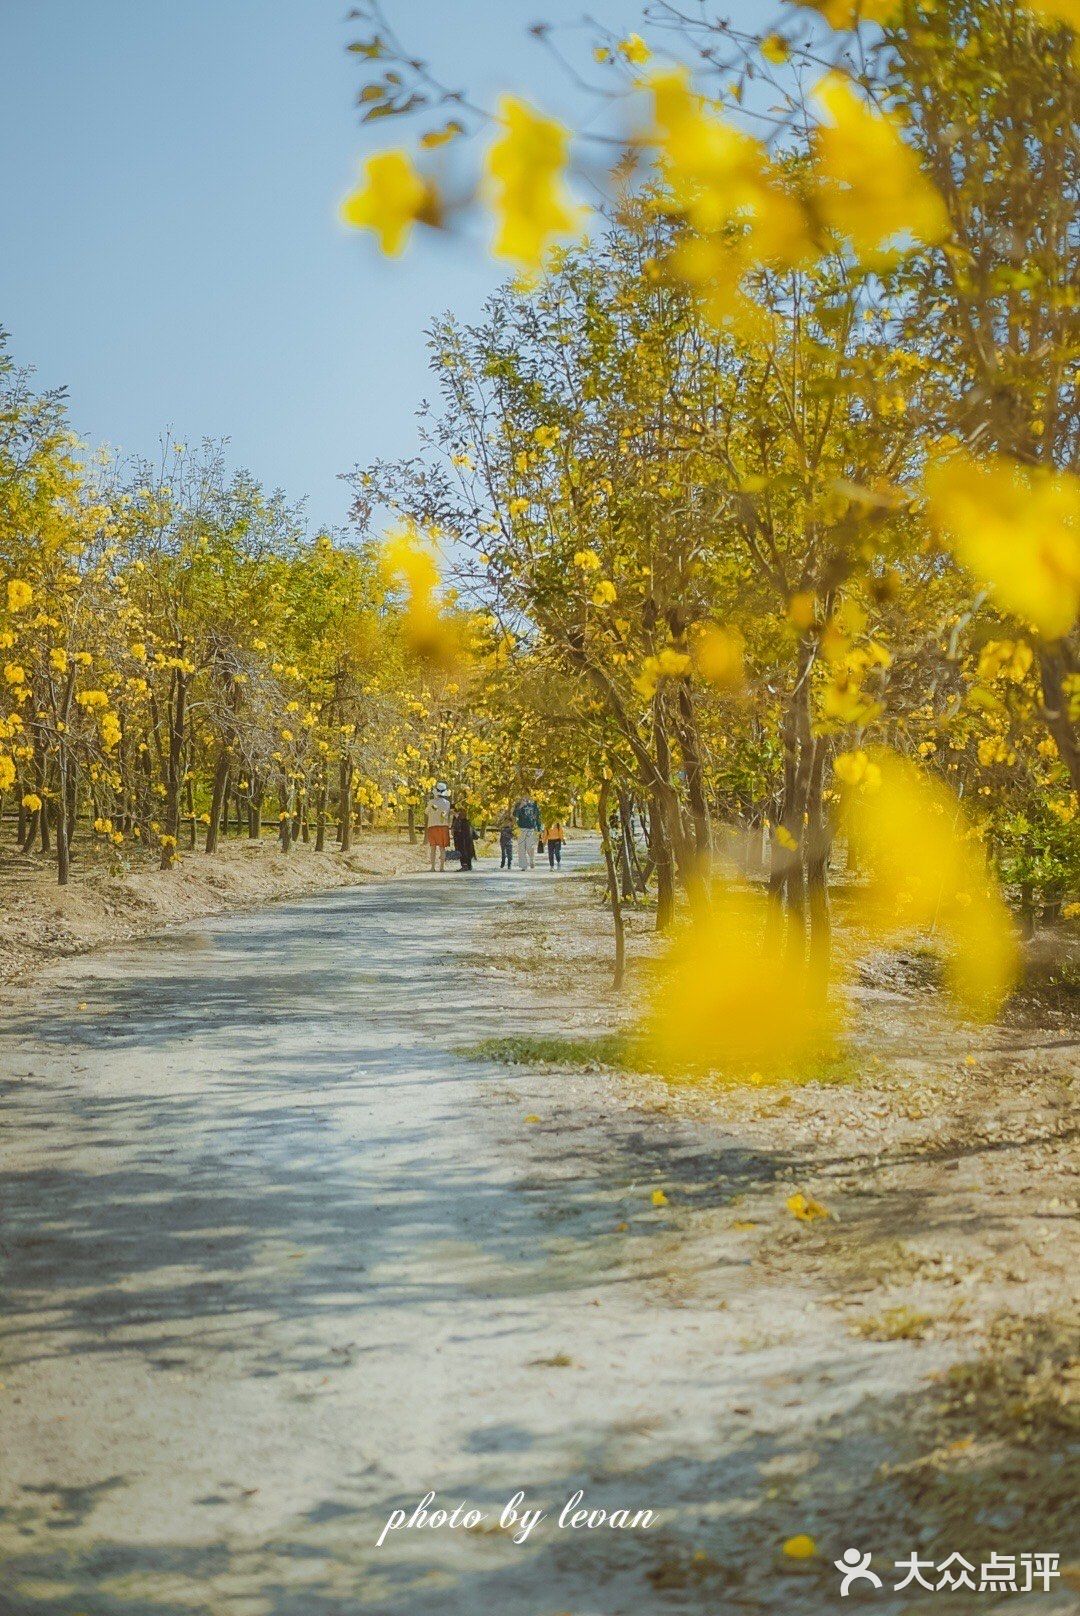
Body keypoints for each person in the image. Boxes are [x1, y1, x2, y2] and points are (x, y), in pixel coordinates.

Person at [424, 781, 452, 872]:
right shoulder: (447, 803)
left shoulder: (431, 802)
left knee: (433, 848)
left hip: (432, 826)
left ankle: (432, 867)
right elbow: (447, 813)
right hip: (443, 826)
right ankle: (442, 867)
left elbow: (426, 812)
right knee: (442, 848)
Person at [514, 791, 541, 870]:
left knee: (530, 847)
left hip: (531, 829)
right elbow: (515, 814)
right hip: (521, 829)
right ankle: (523, 865)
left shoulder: (534, 804)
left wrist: (539, 829)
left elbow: (537, 817)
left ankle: (532, 859)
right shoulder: (519, 804)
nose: (526, 796)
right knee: (521, 848)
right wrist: (520, 806)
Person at [451, 803, 477, 871]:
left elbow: (456, 824)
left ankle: (465, 865)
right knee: (468, 846)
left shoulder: (458, 814)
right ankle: (468, 865)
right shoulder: (466, 811)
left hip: (461, 832)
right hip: (466, 830)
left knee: (462, 847)